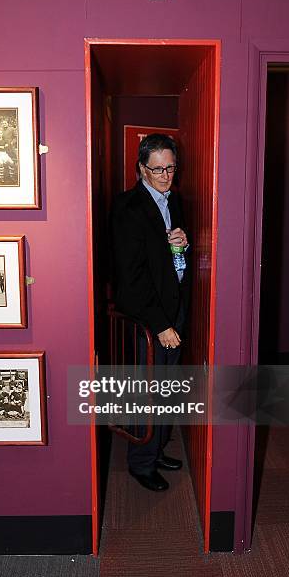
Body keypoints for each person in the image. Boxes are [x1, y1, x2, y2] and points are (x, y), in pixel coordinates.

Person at [111, 133, 191, 492]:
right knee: (147, 393)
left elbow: (169, 260)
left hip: (173, 309)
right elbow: (132, 277)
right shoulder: (128, 207)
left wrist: (183, 244)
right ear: (141, 167)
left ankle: (156, 450)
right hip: (149, 319)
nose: (164, 175)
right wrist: (160, 325)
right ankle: (141, 463)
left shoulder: (176, 203)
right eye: (157, 168)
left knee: (167, 390)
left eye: (170, 167)